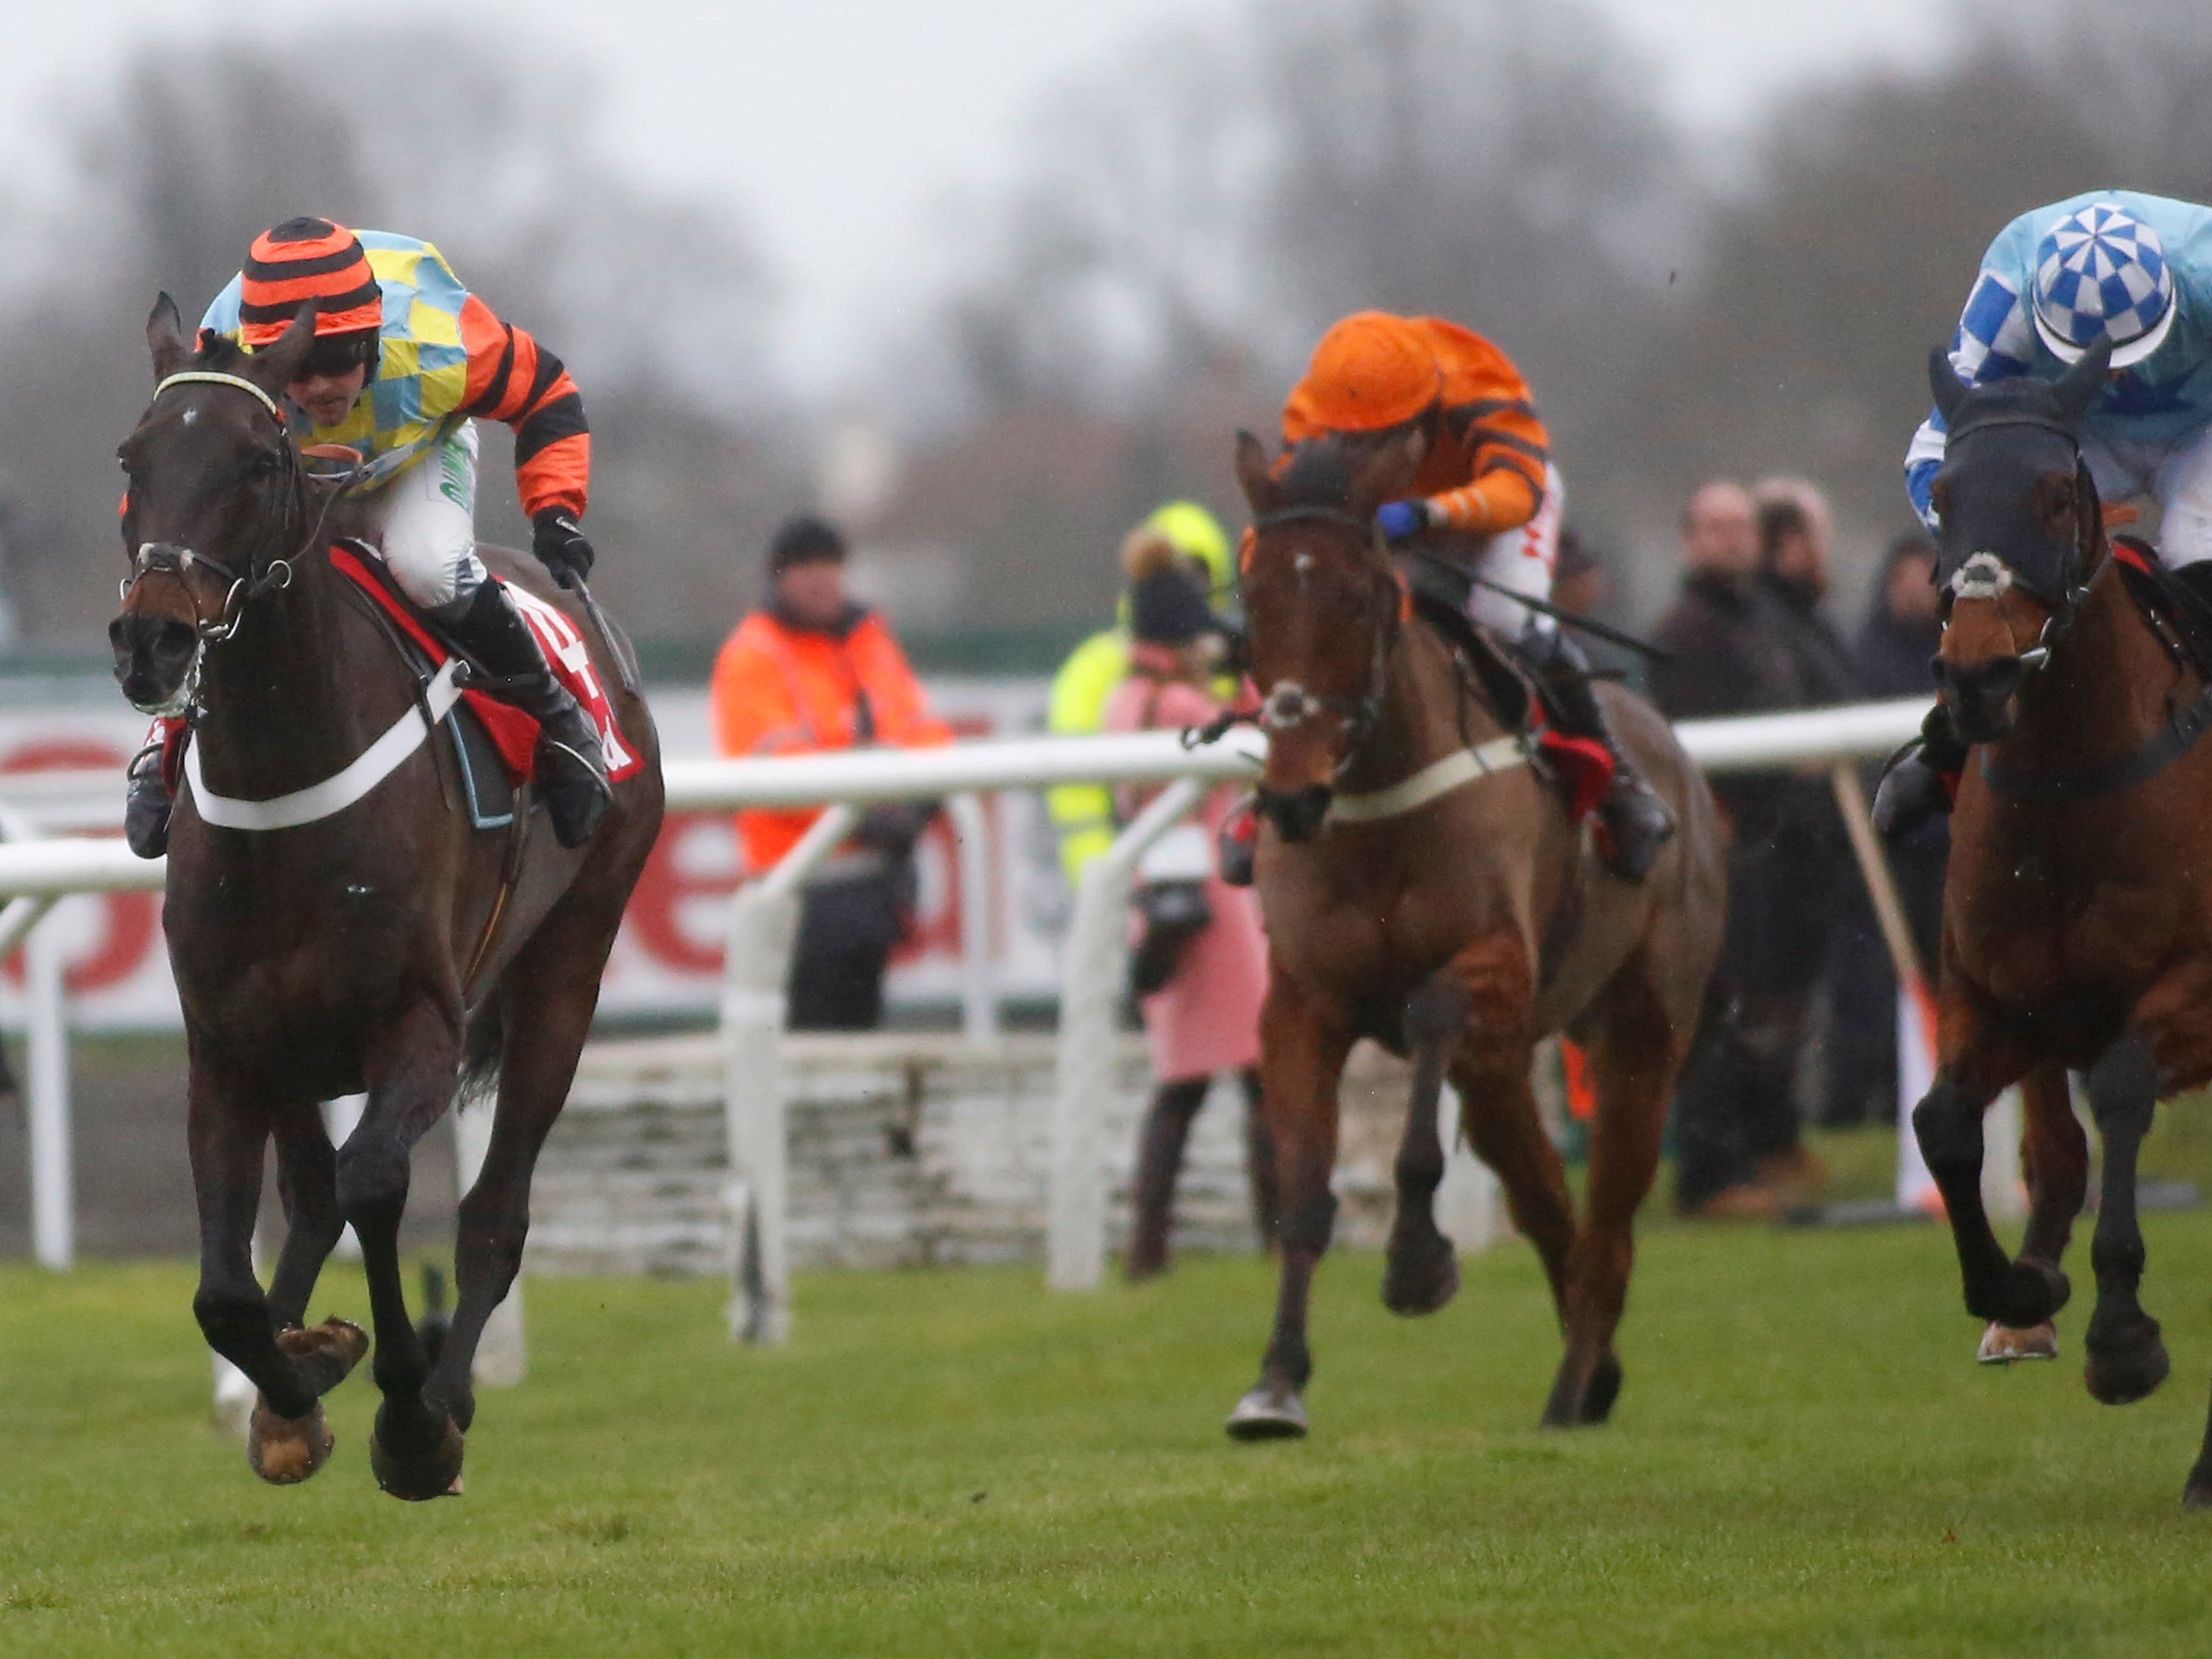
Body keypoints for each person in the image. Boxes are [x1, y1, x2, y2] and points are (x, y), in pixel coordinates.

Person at [124, 216, 610, 857]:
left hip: (412, 455)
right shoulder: (226, 343)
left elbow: (547, 392)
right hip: (288, 467)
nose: (324, 388)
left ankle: (557, 717)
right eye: (302, 369)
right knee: (214, 573)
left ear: (375, 335)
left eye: (342, 362)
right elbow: (182, 468)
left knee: (428, 566)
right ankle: (168, 736)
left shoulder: (443, 340)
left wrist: (555, 514)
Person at [1278, 311, 1673, 879]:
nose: (1362, 447)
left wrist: (1429, 512)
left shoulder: (1478, 385)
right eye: (1350, 437)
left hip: (1500, 498)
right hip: (1396, 514)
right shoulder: (1310, 419)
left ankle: (1621, 784)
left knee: (1504, 616)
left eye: (1381, 432)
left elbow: (1516, 490)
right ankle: (1267, 796)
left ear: (1424, 404)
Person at [1881, 191, 2212, 834]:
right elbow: (1930, 451)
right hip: (2076, 433)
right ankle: (1946, 745)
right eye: (2104, 366)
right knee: (1999, 563)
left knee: (2194, 542)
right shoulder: (2007, 286)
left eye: (2136, 352)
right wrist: (1981, 542)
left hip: (2204, 429)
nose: (2121, 379)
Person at [1651, 480, 1833, 1217]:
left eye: (1740, 527)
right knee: (1721, 1008)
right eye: (1715, 527)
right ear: (1690, 539)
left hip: (1785, 842)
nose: (1731, 540)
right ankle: (1709, 1171)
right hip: (1725, 844)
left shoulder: (1764, 618)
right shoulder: (1684, 629)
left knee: (1775, 1008)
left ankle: (1770, 1143)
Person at [1101, 551, 1276, 1277]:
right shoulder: (1176, 703)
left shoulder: (1122, 700)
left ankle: (1148, 1248)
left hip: (1164, 901)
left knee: (1182, 1084)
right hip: (1216, 909)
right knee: (1257, 1076)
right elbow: (1254, 743)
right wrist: (1251, 675)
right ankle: (1279, 1232)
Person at [710, 516, 951, 1031]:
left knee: (856, 1038)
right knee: (806, 1045)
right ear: (779, 578)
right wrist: (870, 814)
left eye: (830, 566)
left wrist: (918, 800)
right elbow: (774, 769)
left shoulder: (868, 640)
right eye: (805, 568)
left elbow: (921, 728)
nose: (821, 579)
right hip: (798, 890)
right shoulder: (754, 654)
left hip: (871, 888)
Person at [1824, 531, 1950, 1126]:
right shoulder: (1864, 657)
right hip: (1888, 853)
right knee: (1871, 989)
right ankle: (1859, 1112)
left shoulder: (1958, 653)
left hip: (1948, 849)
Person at [1046, 502, 1237, 887]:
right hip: (1131, 878)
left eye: (1200, 575)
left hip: (1217, 875)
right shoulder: (1094, 669)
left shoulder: (1234, 664)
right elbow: (1076, 792)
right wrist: (1107, 883)